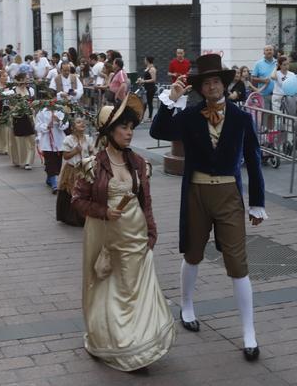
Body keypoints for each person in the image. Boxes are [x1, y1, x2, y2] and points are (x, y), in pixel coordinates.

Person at [150, 54, 266, 361]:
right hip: (197, 193)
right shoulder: (189, 116)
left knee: (238, 264)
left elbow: (254, 160)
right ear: (200, 87)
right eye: (206, 82)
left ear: (224, 85)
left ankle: (249, 333)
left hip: (228, 194)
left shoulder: (241, 117)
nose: (212, 86)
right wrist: (170, 100)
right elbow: (158, 132)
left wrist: (257, 203)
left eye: (216, 81)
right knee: (193, 252)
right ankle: (187, 306)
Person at [72, 94, 175, 371]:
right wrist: (103, 211)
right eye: (124, 127)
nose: (130, 133)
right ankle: (110, 340)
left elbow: (146, 201)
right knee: (107, 288)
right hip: (105, 237)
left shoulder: (139, 163)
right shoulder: (93, 165)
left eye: (132, 127)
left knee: (135, 290)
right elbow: (77, 200)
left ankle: (139, 343)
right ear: (109, 131)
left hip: (135, 236)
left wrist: (151, 231)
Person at [56, 116, 94, 226]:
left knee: (84, 192)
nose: (82, 124)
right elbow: (66, 156)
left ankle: (84, 216)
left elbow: (91, 153)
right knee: (71, 192)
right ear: (73, 127)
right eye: (78, 122)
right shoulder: (69, 139)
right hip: (72, 170)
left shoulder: (88, 138)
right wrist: (75, 151)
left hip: (85, 169)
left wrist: (92, 152)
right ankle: (71, 217)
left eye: (83, 122)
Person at [35, 104, 67, 194]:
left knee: (57, 163)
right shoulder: (42, 112)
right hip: (47, 142)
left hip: (59, 141)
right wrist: (46, 126)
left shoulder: (60, 111)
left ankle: (49, 178)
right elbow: (37, 125)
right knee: (50, 162)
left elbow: (66, 125)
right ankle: (54, 184)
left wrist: (59, 121)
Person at [9, 73, 36, 170]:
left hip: (28, 117)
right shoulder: (13, 91)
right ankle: (20, 160)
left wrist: (32, 108)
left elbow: (33, 103)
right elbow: (11, 106)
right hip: (18, 117)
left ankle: (28, 162)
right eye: (26, 79)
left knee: (31, 140)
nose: (27, 81)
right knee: (20, 140)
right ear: (20, 80)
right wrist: (18, 108)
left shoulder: (30, 90)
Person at [251, 45, 277, 111]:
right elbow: (253, 78)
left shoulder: (278, 63)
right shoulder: (258, 64)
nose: (269, 51)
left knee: (276, 117)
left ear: (273, 52)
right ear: (264, 52)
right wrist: (263, 80)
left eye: (270, 50)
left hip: (277, 95)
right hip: (264, 95)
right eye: (267, 50)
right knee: (265, 116)